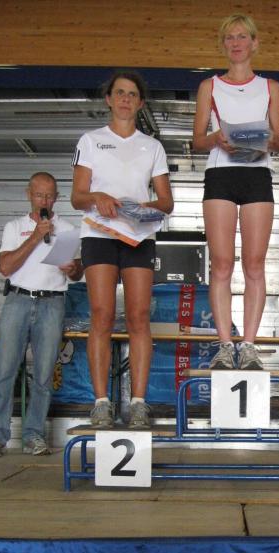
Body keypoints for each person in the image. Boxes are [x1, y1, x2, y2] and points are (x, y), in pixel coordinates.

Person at [71, 70, 173, 428]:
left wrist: (145, 207)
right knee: (100, 314)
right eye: (120, 93)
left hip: (138, 237)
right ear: (109, 99)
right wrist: (97, 196)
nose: (126, 99)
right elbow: (77, 197)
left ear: (140, 103)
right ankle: (100, 403)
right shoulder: (91, 140)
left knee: (138, 317)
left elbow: (166, 202)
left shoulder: (152, 147)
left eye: (132, 94)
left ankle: (139, 403)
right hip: (99, 235)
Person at [193, 13, 279, 370]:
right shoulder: (209, 86)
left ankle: (248, 345)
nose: (236, 43)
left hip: (257, 173)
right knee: (221, 263)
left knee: (254, 263)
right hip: (221, 173)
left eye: (242, 36)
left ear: (254, 43)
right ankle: (224, 345)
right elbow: (198, 140)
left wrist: (263, 141)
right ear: (223, 44)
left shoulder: (270, 87)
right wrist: (218, 137)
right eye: (229, 37)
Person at [0, 172, 81, 458]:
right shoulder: (14, 227)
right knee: (5, 371)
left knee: (44, 375)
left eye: (49, 196)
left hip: (52, 303)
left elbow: (77, 273)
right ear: (29, 195)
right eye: (39, 195)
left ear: (57, 198)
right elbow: (6, 267)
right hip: (18, 300)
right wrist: (36, 237)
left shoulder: (68, 229)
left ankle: (34, 435)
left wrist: (73, 269)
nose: (44, 201)